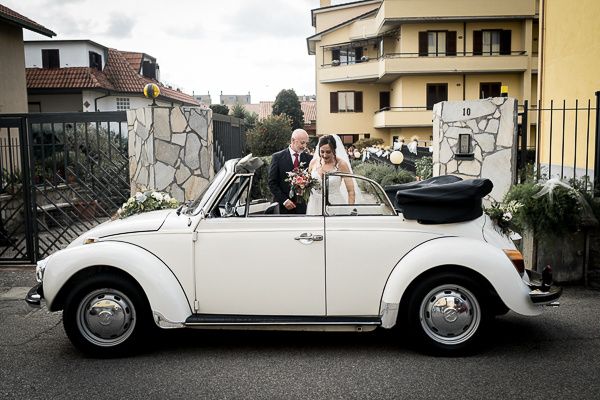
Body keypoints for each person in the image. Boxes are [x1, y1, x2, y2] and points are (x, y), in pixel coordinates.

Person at [306, 134, 356, 215]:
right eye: (322, 152)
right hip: (314, 205)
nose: (325, 155)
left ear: (334, 150)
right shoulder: (313, 162)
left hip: (334, 205)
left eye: (328, 152)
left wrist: (350, 210)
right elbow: (307, 184)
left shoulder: (341, 164)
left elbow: (351, 191)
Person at [268, 128, 312, 214]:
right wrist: (284, 201)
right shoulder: (277, 157)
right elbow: (272, 183)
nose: (304, 146)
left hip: (303, 208)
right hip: (282, 207)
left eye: (306, 143)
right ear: (293, 140)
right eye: (302, 143)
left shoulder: (310, 159)